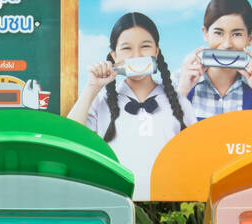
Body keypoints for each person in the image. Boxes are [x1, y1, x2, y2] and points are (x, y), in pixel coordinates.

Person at [69, 12, 194, 198]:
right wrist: (92, 87)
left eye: (145, 47)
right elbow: (70, 139)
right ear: (114, 55)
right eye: (126, 48)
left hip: (167, 199)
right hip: (114, 197)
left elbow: (192, 157)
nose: (136, 56)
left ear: (157, 51)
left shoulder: (179, 102)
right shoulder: (100, 102)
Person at [177, 0, 252, 117]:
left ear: (250, 38)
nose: (227, 44)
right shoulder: (176, 81)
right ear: (205, 34)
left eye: (236, 34)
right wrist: (182, 92)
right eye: (218, 33)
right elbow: (163, 133)